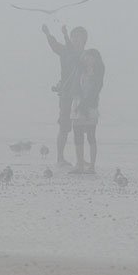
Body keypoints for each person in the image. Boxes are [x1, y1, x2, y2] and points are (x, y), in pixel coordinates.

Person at [42, 24, 87, 166]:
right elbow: (54, 45)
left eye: (78, 37)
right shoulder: (65, 51)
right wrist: (48, 33)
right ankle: (60, 158)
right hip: (66, 95)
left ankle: (80, 159)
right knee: (64, 127)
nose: (75, 39)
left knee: (79, 128)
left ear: (84, 40)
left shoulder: (86, 55)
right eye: (73, 37)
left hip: (80, 97)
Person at [70, 49, 105, 174]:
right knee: (78, 135)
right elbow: (75, 87)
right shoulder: (79, 70)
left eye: (90, 57)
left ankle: (92, 166)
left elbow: (96, 90)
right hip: (78, 105)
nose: (87, 60)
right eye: (86, 57)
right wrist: (79, 105)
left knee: (91, 136)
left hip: (90, 106)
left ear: (96, 59)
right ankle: (79, 165)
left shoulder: (98, 73)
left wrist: (85, 105)